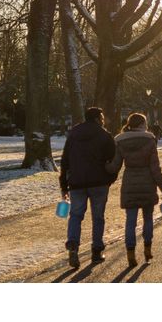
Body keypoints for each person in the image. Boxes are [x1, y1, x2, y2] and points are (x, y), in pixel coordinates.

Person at [106, 113, 162, 267]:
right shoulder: (150, 140)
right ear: (142, 124)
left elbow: (114, 166)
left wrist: (103, 166)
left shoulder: (120, 141)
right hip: (148, 184)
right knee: (148, 219)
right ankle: (147, 250)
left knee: (130, 221)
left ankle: (130, 254)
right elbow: (156, 169)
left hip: (129, 184)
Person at [59, 107, 117, 269]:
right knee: (98, 217)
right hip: (99, 182)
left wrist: (64, 184)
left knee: (76, 215)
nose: (104, 120)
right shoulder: (104, 135)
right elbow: (113, 160)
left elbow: (65, 161)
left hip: (76, 182)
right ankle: (96, 251)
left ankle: (73, 243)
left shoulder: (73, 135)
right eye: (102, 117)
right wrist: (110, 179)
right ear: (98, 118)